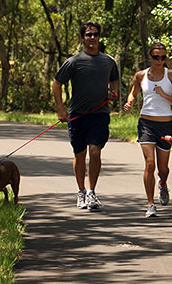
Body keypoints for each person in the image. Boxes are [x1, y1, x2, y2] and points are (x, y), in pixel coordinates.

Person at [52, 21, 119, 211]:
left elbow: (115, 80)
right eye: (88, 35)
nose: (92, 38)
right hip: (77, 115)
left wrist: (113, 92)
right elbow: (56, 84)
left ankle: (91, 192)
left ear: (99, 36)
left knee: (95, 151)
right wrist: (60, 109)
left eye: (95, 34)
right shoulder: (73, 62)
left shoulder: (108, 61)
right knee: (79, 154)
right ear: (83, 37)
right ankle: (80, 191)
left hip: (100, 114)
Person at [124, 42, 172, 218]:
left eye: (163, 57)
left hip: (164, 124)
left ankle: (163, 184)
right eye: (156, 57)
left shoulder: (171, 75)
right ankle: (150, 204)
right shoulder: (141, 75)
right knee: (150, 164)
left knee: (163, 168)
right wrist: (130, 102)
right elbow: (133, 93)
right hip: (146, 123)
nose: (159, 60)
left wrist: (164, 95)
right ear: (150, 57)